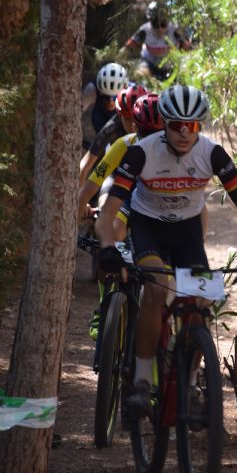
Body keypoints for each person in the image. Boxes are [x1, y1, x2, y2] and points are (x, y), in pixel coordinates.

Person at [95, 84, 237, 419]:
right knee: (155, 288)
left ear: (201, 125)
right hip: (148, 226)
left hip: (187, 232)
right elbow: (108, 214)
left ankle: (192, 382)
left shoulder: (212, 154)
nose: (184, 132)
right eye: (176, 125)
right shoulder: (142, 153)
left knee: (198, 303)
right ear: (164, 124)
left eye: (192, 126)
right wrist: (108, 248)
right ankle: (140, 381)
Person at [79, 93, 164, 341]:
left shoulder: (171, 146)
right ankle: (106, 305)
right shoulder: (120, 140)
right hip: (123, 190)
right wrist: (79, 209)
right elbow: (92, 176)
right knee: (112, 228)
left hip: (153, 202)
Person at [80, 81, 147, 188]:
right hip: (117, 175)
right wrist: (78, 200)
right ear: (120, 116)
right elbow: (85, 164)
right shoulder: (112, 127)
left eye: (137, 119)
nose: (133, 125)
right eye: (128, 119)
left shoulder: (155, 125)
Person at [122, 1, 191, 81]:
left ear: (168, 20)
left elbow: (188, 49)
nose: (160, 29)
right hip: (150, 63)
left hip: (171, 65)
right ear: (150, 22)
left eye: (163, 23)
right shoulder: (145, 30)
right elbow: (127, 48)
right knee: (139, 75)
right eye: (155, 24)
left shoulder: (175, 29)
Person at [82, 62, 128, 141]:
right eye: (106, 97)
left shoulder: (129, 93)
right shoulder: (92, 90)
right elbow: (76, 112)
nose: (110, 102)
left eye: (114, 97)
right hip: (92, 139)